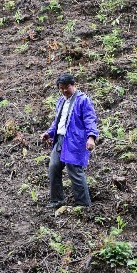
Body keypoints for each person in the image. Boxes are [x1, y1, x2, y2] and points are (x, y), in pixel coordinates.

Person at [41, 73, 98, 208]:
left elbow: (90, 120)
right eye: (61, 88)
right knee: (53, 167)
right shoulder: (61, 101)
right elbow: (58, 121)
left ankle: (83, 204)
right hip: (60, 139)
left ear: (73, 85)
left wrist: (91, 137)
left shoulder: (83, 100)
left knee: (75, 171)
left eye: (66, 87)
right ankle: (57, 200)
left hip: (75, 141)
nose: (64, 91)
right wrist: (49, 133)